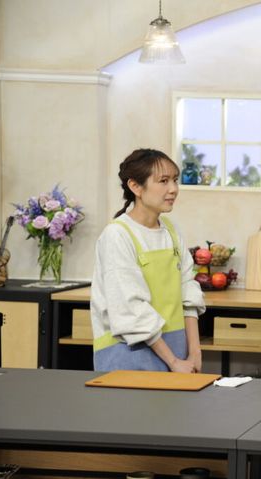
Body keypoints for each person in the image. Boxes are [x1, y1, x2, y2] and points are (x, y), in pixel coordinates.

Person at [90, 149, 205, 372]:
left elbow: (188, 292)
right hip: (129, 356)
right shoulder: (117, 235)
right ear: (135, 186)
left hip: (176, 352)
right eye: (163, 181)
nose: (173, 189)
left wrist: (194, 352)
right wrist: (173, 362)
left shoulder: (171, 231)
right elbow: (130, 309)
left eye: (175, 180)